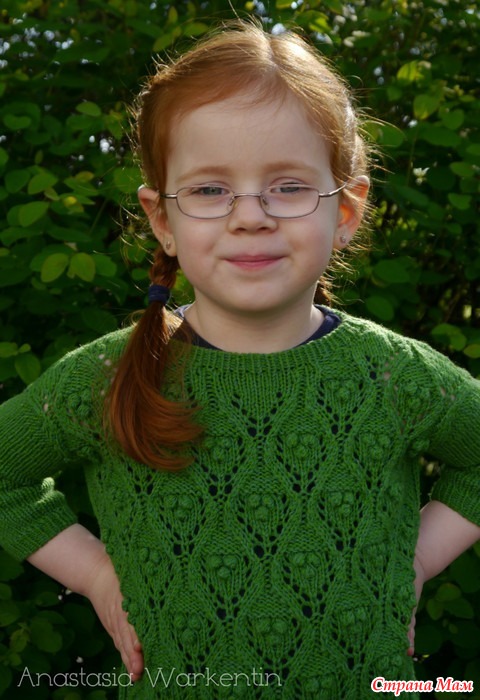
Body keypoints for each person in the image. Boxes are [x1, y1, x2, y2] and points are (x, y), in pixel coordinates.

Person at [1, 20, 479, 700]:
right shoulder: (107, 378)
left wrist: (413, 561)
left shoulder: (392, 374)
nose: (249, 215)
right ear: (162, 219)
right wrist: (99, 576)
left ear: (346, 210)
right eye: (208, 190)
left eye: (288, 186)